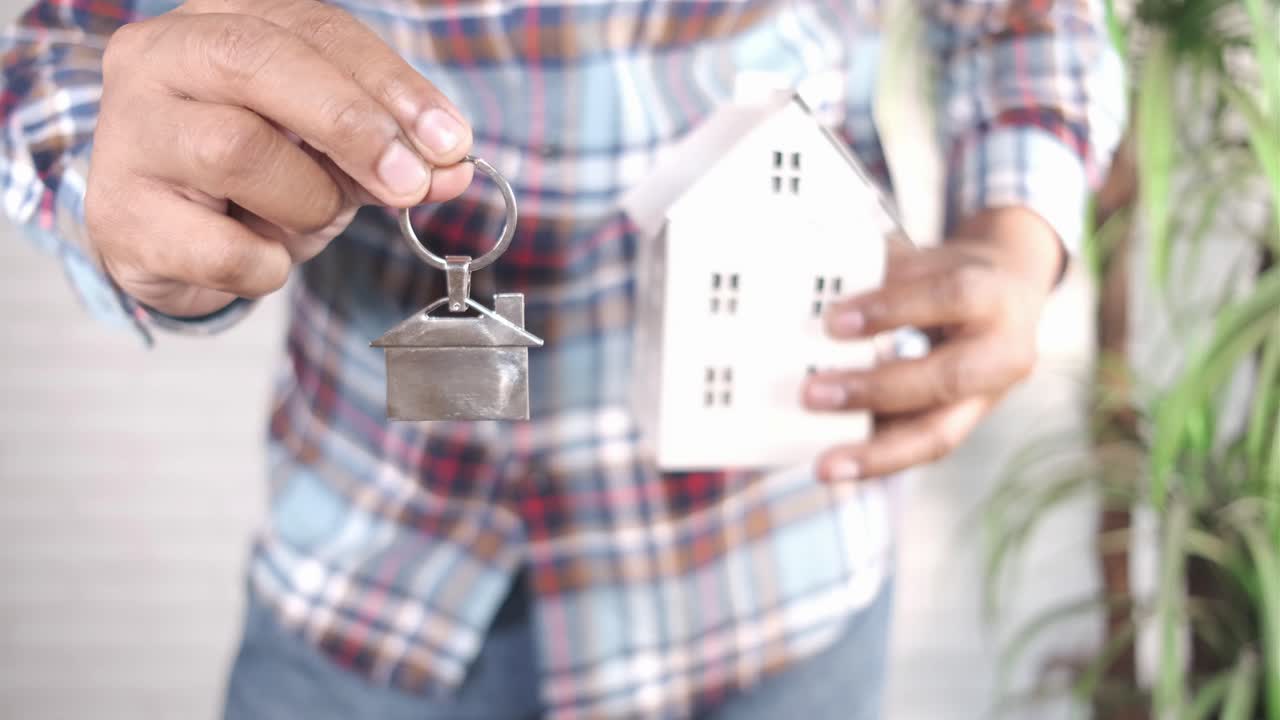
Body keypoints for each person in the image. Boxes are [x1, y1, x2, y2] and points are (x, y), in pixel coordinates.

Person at [0, 0, 1123, 714]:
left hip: (779, 577)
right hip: (368, 582)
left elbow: (1023, 15)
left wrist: (1014, 239)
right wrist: (119, 185)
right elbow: (59, 45)